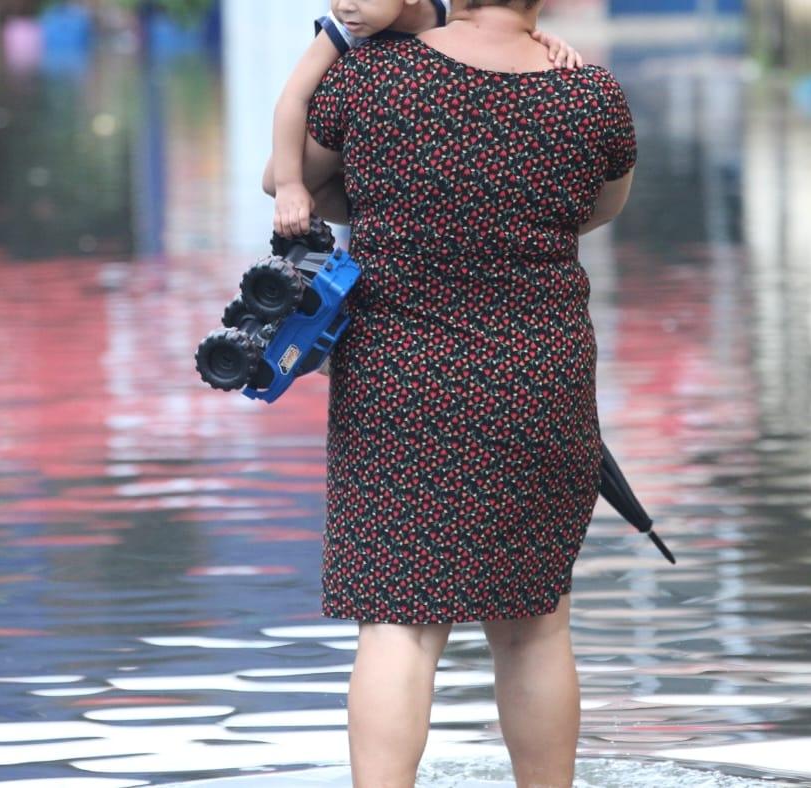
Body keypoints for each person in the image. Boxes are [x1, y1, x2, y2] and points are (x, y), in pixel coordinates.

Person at [265, 0, 637, 785]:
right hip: (541, 380)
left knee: (398, 624)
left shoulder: (372, 77)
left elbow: (283, 179)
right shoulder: (589, 95)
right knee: (534, 626)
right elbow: (598, 211)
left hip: (398, 380)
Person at [268, 0, 583, 238]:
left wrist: (548, 43)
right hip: (362, 174)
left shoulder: (446, 13)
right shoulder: (343, 27)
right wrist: (288, 184)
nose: (342, 5)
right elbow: (293, 97)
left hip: (420, 168)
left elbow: (501, 34)